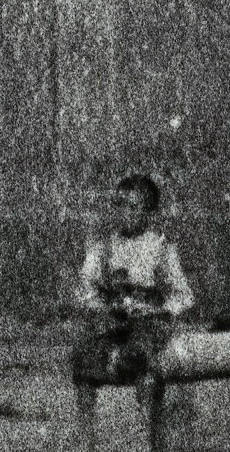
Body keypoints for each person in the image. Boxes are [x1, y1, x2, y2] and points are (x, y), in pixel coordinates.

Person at [71, 171, 200, 424]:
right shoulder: (104, 248)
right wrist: (102, 306)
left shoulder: (160, 248)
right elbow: (85, 288)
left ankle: (151, 427)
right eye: (119, 206)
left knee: (141, 356)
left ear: (148, 211)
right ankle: (86, 436)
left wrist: (161, 310)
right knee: (83, 358)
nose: (124, 213)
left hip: (149, 324)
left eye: (132, 207)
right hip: (115, 323)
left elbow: (183, 295)